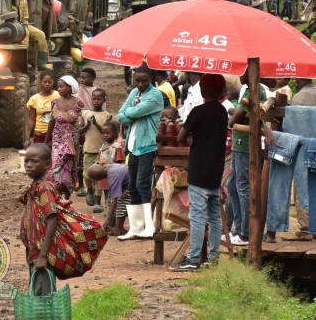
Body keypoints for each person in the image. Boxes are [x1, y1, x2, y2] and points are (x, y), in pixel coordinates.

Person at [172, 74, 230, 270]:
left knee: (197, 216)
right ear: (222, 92)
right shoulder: (222, 112)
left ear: (202, 91)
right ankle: (214, 259)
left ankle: (194, 258)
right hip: (216, 171)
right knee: (214, 217)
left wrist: (190, 137)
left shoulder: (198, 111)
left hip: (198, 170)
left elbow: (181, 136)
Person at [18, 143, 63, 320]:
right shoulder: (35, 186)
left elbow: (52, 219)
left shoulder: (45, 187)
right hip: (35, 253)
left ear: (47, 164)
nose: (28, 165)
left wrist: (43, 256)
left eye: (34, 161)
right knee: (41, 301)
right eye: (26, 161)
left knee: (44, 303)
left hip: (41, 255)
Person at [116, 66, 164, 240]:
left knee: (143, 184)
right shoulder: (135, 92)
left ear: (151, 78)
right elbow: (120, 116)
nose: (140, 84)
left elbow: (132, 112)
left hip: (147, 145)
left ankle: (149, 226)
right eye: (137, 80)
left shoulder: (155, 95)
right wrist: (132, 113)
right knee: (133, 186)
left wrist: (131, 113)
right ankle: (136, 227)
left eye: (144, 80)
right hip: (133, 145)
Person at [226, 70, 271, 245]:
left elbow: (233, 121)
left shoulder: (255, 90)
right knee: (233, 184)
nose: (241, 74)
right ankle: (239, 228)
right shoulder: (246, 90)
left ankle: (245, 232)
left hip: (245, 143)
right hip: (239, 143)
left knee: (243, 186)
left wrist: (233, 112)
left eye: (245, 70)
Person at [46, 76, 85, 198]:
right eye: (58, 87)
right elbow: (51, 121)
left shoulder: (78, 102)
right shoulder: (55, 103)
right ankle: (56, 193)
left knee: (70, 167)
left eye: (62, 87)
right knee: (57, 164)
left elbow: (81, 119)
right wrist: (46, 139)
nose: (59, 89)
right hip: (57, 139)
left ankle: (67, 196)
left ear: (70, 87)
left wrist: (82, 127)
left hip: (72, 139)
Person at [80, 88, 112, 212]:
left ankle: (98, 203)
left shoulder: (107, 115)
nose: (96, 101)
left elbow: (107, 132)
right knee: (87, 175)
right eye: (94, 98)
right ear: (91, 99)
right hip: (88, 150)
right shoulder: (85, 113)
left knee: (100, 177)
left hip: (102, 151)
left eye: (99, 99)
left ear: (104, 100)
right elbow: (79, 131)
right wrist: (87, 125)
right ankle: (89, 190)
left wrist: (97, 124)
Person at [26, 72, 59, 146]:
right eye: (45, 82)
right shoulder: (34, 99)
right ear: (40, 83)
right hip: (39, 134)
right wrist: (27, 139)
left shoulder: (58, 96)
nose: (47, 84)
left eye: (49, 82)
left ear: (53, 83)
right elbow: (32, 119)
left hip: (55, 134)